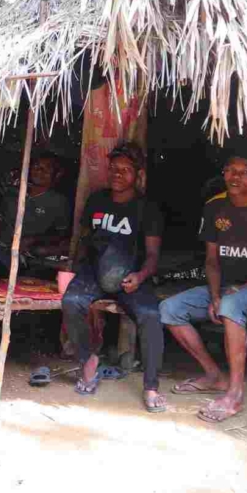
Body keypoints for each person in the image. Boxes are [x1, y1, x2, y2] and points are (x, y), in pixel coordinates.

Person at [160, 154, 247, 423]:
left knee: (232, 305)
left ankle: (235, 393)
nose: (235, 177)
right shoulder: (215, 207)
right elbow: (211, 260)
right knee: (169, 309)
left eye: (244, 172)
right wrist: (214, 295)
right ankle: (214, 376)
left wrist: (238, 290)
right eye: (230, 171)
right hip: (222, 288)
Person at [61, 143, 166, 413]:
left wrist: (140, 276)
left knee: (151, 316)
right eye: (113, 169)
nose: (117, 174)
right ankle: (87, 361)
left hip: (130, 276)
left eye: (125, 170)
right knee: (71, 300)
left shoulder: (147, 208)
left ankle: (151, 386)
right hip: (95, 271)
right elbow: (84, 240)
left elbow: (153, 255)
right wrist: (76, 270)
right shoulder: (97, 200)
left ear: (137, 174)